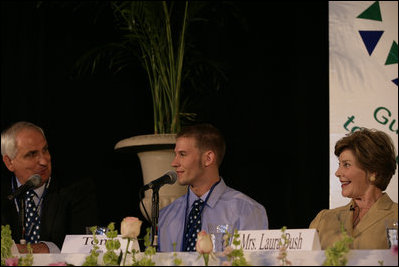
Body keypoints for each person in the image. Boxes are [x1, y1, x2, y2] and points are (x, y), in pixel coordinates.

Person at [158, 123, 268, 252]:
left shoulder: (246, 210)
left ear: (208, 158)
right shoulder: (166, 215)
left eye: (182, 154)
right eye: (175, 154)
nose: (174, 163)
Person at [1, 121, 99, 253]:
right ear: (9, 162)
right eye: (31, 154)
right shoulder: (5, 195)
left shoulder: (77, 189)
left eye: (45, 150)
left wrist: (40, 249)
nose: (43, 161)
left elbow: (85, 242)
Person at [310, 128, 398, 249]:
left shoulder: (395, 215)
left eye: (346, 165)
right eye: (339, 165)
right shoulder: (323, 220)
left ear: (373, 172)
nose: (337, 172)